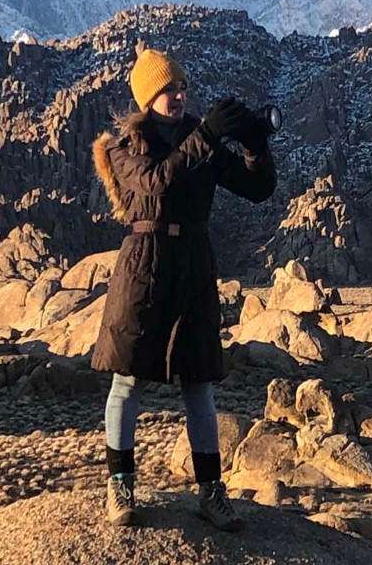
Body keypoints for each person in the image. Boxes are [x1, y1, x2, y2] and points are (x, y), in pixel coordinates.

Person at [89, 42, 276, 531]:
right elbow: (158, 184)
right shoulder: (124, 148)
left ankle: (211, 492)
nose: (179, 95)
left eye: (183, 87)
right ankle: (120, 485)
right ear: (147, 96)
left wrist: (256, 146)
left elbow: (258, 191)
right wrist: (210, 134)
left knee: (198, 382)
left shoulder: (200, 139)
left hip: (193, 262)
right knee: (127, 380)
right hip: (144, 264)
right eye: (169, 88)